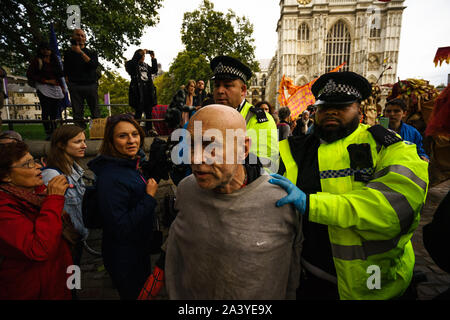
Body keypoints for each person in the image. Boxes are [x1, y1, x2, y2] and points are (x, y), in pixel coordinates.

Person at [270, 71, 429, 300]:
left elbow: (393, 210)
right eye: (324, 107)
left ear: (360, 112)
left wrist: (311, 204)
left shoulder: (390, 147)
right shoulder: (294, 149)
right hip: (311, 278)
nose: (331, 112)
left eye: (342, 106)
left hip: (376, 284)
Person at [140, 105, 301, 300]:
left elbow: (296, 272)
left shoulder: (282, 202)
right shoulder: (187, 189)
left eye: (211, 146)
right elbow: (175, 245)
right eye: (191, 145)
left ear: (244, 148)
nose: (196, 159)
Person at [87, 114, 158, 300]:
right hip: (125, 256)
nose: (131, 140)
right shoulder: (111, 177)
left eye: (135, 134)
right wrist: (149, 197)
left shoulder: (128, 165)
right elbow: (121, 226)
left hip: (137, 249)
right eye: (123, 136)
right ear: (111, 140)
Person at [0, 141, 73, 299]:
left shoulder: (37, 192)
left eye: (35, 160)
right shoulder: (4, 208)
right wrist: (53, 200)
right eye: (28, 164)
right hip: (32, 287)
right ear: (6, 176)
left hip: (61, 275)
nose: (39, 167)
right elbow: (38, 249)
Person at [211, 56, 278, 172]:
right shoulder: (208, 117)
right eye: (217, 85)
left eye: (227, 85)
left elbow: (267, 167)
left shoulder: (260, 120)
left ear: (243, 90)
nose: (220, 91)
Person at [41, 125, 88, 271]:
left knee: (74, 281)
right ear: (61, 145)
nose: (84, 145)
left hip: (76, 238)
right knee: (67, 285)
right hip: (63, 242)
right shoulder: (52, 175)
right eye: (77, 141)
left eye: (84, 141)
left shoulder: (74, 168)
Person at [26, 42, 65, 140]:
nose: (46, 51)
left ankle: (54, 131)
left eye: (48, 49)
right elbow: (30, 74)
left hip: (56, 87)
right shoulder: (37, 61)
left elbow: (60, 75)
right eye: (44, 49)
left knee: (54, 111)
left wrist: (62, 86)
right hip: (43, 87)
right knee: (46, 111)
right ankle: (48, 131)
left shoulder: (55, 60)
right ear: (40, 50)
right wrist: (45, 81)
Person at [63, 28, 100, 129]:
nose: (80, 37)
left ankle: (96, 132)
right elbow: (65, 69)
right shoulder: (68, 53)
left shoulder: (91, 52)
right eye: (77, 35)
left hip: (90, 85)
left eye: (82, 36)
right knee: (77, 112)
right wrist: (68, 83)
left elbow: (93, 65)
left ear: (85, 39)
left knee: (95, 110)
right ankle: (79, 133)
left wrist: (80, 52)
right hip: (75, 85)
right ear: (73, 37)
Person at [125, 49, 158, 136]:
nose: (143, 57)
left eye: (144, 56)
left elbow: (154, 70)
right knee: (138, 112)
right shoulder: (131, 64)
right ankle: (135, 130)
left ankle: (149, 130)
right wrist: (141, 52)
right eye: (142, 55)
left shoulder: (146, 65)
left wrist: (153, 58)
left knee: (149, 112)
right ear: (137, 55)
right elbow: (133, 63)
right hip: (138, 91)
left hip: (148, 90)